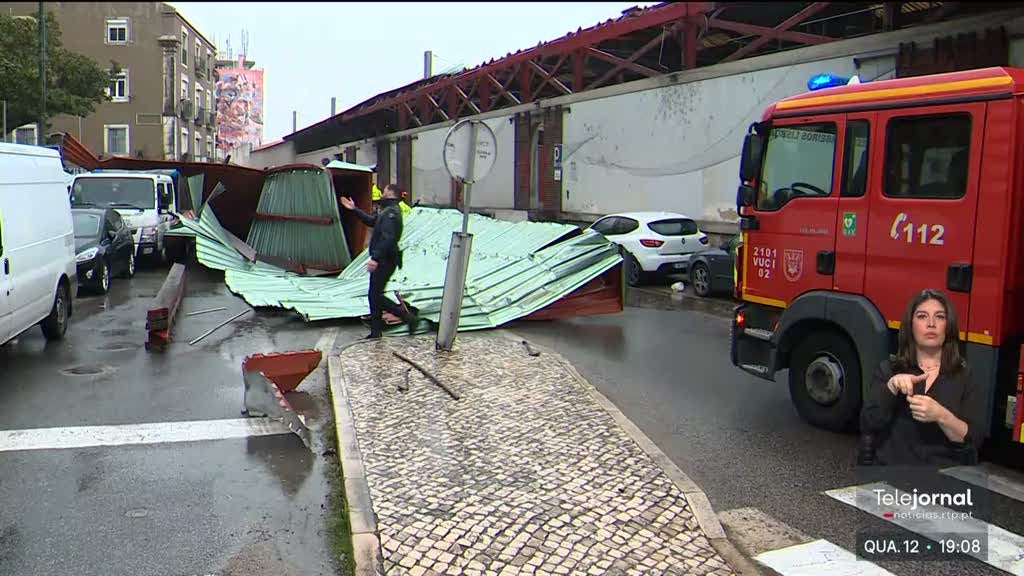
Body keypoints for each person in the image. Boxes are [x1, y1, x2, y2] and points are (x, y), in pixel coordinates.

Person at [859, 289, 986, 467]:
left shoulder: (965, 375)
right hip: (892, 474)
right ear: (910, 326)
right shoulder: (889, 369)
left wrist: (941, 415)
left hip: (943, 476)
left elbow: (973, 440)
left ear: (948, 327)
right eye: (922, 316)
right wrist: (891, 388)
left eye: (939, 317)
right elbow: (868, 424)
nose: (931, 324)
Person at [339, 184, 418, 339]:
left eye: (385, 191)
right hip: (384, 258)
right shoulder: (387, 210)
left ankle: (407, 317)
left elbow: (388, 238)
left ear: (390, 194)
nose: (382, 193)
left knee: (375, 295)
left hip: (386, 259)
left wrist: (375, 258)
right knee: (374, 294)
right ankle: (376, 332)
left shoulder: (391, 213)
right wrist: (354, 209)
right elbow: (372, 221)